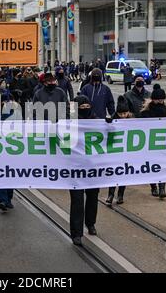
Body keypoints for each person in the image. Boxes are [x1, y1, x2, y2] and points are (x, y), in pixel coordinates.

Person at [69, 95, 99, 246]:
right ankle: (76, 233)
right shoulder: (68, 123)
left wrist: (111, 121)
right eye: (82, 107)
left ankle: (90, 223)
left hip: (92, 168)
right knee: (77, 201)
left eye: (88, 106)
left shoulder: (96, 120)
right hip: (75, 169)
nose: (86, 109)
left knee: (93, 198)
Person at [140, 84, 166, 199]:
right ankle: (154, 187)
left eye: (162, 99)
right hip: (149, 142)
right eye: (158, 99)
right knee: (152, 165)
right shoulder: (146, 111)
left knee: (162, 166)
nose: (160, 101)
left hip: (161, 141)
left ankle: (162, 187)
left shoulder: (164, 108)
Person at [105, 96, 134, 205]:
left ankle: (120, 195)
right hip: (115, 151)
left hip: (126, 152)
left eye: (125, 113)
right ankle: (111, 194)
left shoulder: (132, 120)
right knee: (113, 174)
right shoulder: (112, 119)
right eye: (120, 114)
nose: (123, 116)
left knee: (123, 175)